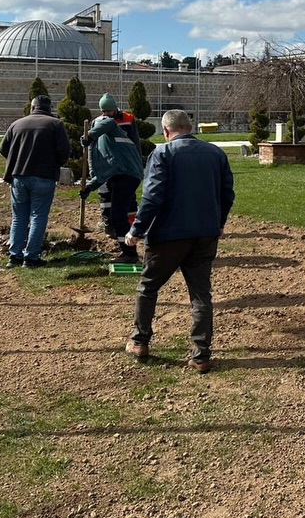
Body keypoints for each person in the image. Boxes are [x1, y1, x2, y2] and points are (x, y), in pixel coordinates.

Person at [123, 109, 235, 373]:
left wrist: (136, 230)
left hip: (168, 236)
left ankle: (140, 341)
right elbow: (227, 194)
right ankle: (201, 355)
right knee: (200, 295)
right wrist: (219, 223)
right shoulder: (215, 153)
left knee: (148, 287)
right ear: (190, 127)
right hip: (204, 234)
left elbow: (152, 197)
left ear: (166, 131)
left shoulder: (163, 154)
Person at [0, 95, 71, 268]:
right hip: (43, 177)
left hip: (19, 176)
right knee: (38, 216)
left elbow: (3, 149)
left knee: (18, 217)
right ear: (49, 108)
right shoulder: (55, 124)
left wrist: (17, 160)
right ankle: (31, 258)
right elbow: (65, 152)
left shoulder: (17, 124)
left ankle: (14, 256)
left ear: (32, 108)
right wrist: (54, 164)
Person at [82, 100, 145, 264]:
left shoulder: (111, 130)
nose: (106, 114)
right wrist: (89, 187)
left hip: (127, 174)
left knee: (118, 215)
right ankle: (128, 250)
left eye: (109, 111)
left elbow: (109, 122)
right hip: (120, 175)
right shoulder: (100, 148)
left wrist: (90, 136)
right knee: (117, 214)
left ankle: (129, 253)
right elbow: (103, 171)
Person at [92, 93, 140, 235]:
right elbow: (93, 146)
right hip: (107, 166)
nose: (107, 114)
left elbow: (135, 142)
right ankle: (109, 223)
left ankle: (132, 225)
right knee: (105, 195)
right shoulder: (98, 121)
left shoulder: (128, 119)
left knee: (128, 197)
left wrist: (136, 162)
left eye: (109, 111)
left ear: (115, 109)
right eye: (104, 111)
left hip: (125, 167)